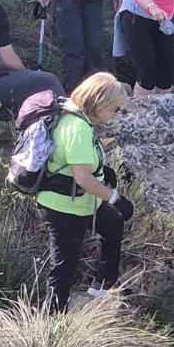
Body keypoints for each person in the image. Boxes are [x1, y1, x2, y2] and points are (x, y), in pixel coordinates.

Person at [35, 71, 133, 312]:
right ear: (99, 103)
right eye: (115, 109)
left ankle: (102, 287)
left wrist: (103, 174)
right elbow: (82, 178)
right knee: (64, 268)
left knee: (112, 224)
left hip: (81, 202)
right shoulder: (77, 128)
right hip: (64, 208)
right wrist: (115, 197)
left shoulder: (73, 116)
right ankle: (52, 320)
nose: (116, 114)